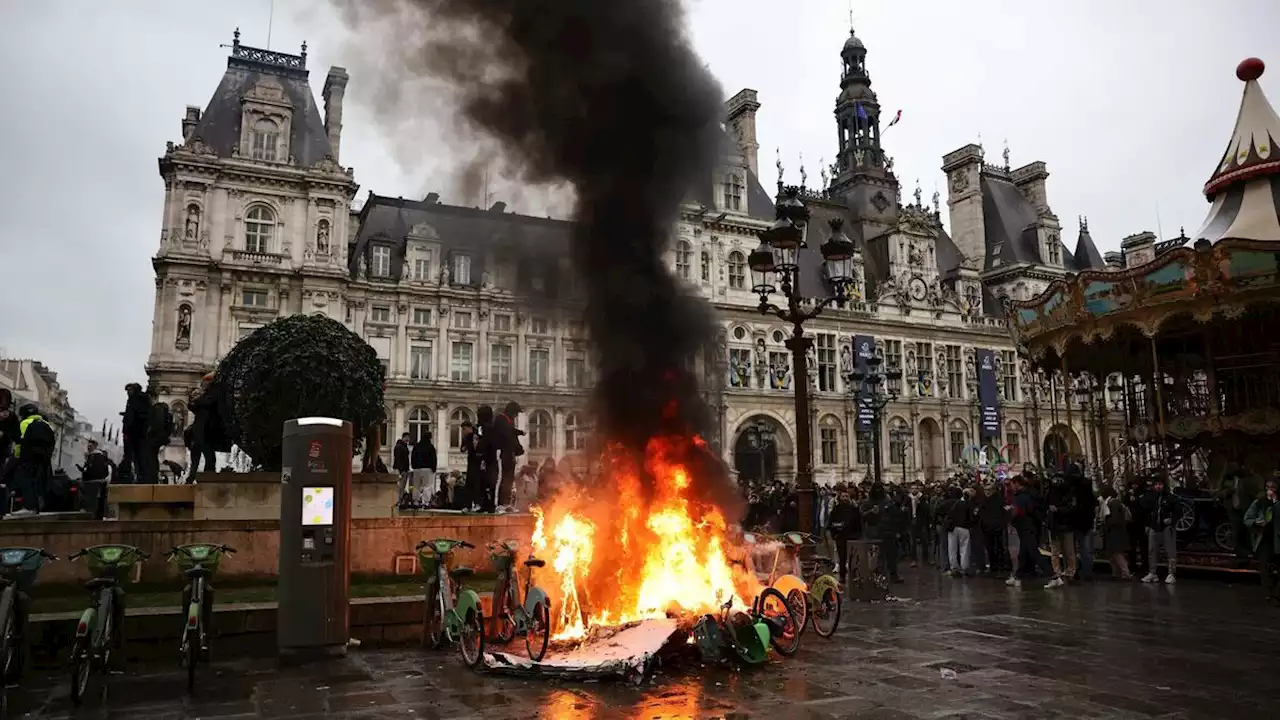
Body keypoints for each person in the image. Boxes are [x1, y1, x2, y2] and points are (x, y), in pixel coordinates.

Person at [8, 404, 55, 517]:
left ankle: (28, 507)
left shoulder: (24, 423)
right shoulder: (47, 425)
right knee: (38, 482)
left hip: (28, 457)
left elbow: (20, 442)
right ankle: (36, 507)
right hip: (43, 459)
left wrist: (16, 458)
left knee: (25, 480)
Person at [1243, 479, 1279, 603]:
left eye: (1273, 487)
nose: (1270, 490)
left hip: (1277, 539)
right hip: (1264, 539)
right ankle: (1270, 594)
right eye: (1268, 487)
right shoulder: (1260, 502)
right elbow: (1247, 519)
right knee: (1265, 567)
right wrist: (1255, 522)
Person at [1140, 475, 1178, 584]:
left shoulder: (1171, 498)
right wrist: (1147, 524)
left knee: (1170, 551)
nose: (1158, 487)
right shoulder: (1150, 498)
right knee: (1152, 550)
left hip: (1167, 527)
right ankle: (1152, 572)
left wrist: (1172, 520)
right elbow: (1145, 511)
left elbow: (1178, 511)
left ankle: (1171, 573)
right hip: (1154, 527)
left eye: (1160, 484)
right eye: (1156, 484)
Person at [187, 374, 225, 479]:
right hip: (202, 429)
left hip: (206, 429)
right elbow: (192, 406)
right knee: (200, 456)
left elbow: (204, 403)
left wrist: (198, 399)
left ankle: (205, 477)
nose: (203, 384)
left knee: (208, 456)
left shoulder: (213, 393)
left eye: (205, 382)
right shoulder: (205, 394)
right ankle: (194, 477)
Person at [491, 401, 525, 508]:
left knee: (509, 479)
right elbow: (508, 433)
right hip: (504, 452)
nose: (516, 416)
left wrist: (519, 433)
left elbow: (510, 432)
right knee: (505, 478)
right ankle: (502, 502)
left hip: (510, 453)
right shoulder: (501, 419)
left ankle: (506, 502)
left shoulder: (508, 420)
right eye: (515, 413)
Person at [118, 383, 151, 483]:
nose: (128, 392)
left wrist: (127, 430)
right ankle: (139, 476)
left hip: (134, 433)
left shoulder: (135, 400)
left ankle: (133, 476)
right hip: (138, 433)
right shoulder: (142, 399)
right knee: (138, 456)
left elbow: (134, 417)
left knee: (134, 455)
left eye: (130, 390)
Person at [1099, 487, 1132, 579]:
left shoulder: (1113, 503)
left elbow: (1114, 519)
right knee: (1112, 554)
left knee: (1117, 553)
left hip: (1115, 533)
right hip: (1114, 532)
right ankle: (1117, 573)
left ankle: (1125, 573)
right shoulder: (1113, 503)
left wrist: (1106, 524)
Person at [410, 431, 438, 506]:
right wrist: (434, 468)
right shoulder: (430, 446)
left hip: (417, 469)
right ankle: (425, 502)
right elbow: (433, 458)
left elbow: (413, 457)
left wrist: (414, 466)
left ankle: (415, 501)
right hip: (427, 469)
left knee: (416, 485)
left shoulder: (416, 446)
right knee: (427, 485)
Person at [393, 432, 412, 503]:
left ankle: (399, 500)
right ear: (405, 437)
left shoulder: (403, 446)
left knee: (402, 486)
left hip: (404, 469)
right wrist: (401, 470)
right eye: (408, 437)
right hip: (402, 470)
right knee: (400, 486)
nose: (409, 439)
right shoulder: (399, 446)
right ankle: (398, 500)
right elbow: (398, 459)